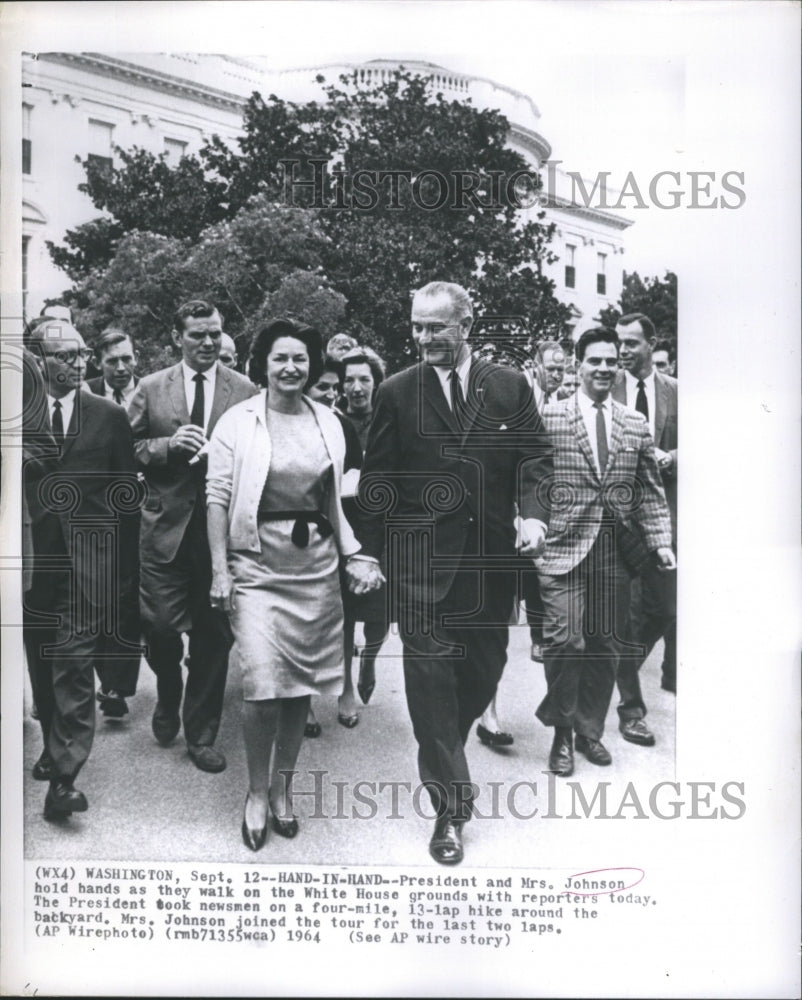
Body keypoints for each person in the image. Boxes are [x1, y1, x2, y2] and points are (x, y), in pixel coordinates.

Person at [357, 281, 552, 865]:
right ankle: (451, 807)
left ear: (467, 324)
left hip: (491, 570)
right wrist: (369, 552)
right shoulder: (396, 392)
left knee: (482, 674)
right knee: (431, 687)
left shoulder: (509, 386)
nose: (423, 338)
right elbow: (377, 481)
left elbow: (536, 458)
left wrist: (536, 517)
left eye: (435, 327)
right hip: (420, 571)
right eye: (416, 327)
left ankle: (447, 750)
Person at [206, 318, 382, 851]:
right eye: (281, 358)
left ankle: (284, 788)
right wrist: (220, 568)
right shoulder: (237, 422)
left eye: (301, 359)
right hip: (255, 565)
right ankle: (256, 792)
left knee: (300, 685)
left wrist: (355, 554)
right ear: (263, 364)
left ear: (312, 365)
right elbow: (216, 496)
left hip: (316, 567)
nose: (291, 368)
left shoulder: (329, 422)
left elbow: (336, 502)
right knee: (262, 685)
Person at [534, 326, 675, 777]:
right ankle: (560, 732)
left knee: (604, 646)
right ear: (579, 364)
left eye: (610, 361)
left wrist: (661, 542)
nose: (603, 368)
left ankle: (587, 732)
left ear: (618, 366)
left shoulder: (634, 423)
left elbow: (649, 490)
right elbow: (532, 479)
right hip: (562, 546)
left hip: (614, 550)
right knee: (564, 641)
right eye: (594, 360)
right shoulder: (551, 417)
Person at [128, 300, 257, 773]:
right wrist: (165, 446)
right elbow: (125, 447)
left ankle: (201, 733)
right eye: (198, 335)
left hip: (221, 536)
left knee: (214, 636)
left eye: (215, 334)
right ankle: (167, 688)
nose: (209, 343)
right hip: (164, 530)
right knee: (160, 628)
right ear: (177, 339)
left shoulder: (243, 389)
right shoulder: (149, 387)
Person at [23, 318, 140, 820]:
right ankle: (52, 743)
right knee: (41, 663)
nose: (78, 363)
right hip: (30, 563)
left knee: (73, 666)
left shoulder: (109, 416)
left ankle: (65, 779)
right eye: (65, 356)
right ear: (39, 361)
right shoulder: (17, 417)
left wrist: (124, 572)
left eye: (81, 354)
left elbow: (125, 498)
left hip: (87, 564)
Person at [612, 313, 679, 744]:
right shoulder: (605, 384)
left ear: (651, 345)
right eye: (620, 342)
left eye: (632, 343)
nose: (622, 351)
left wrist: (674, 456)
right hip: (617, 519)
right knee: (627, 614)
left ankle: (614, 670)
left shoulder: (675, 392)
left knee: (666, 608)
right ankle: (630, 709)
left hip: (660, 515)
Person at [303, 356, 363, 736]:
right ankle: (303, 698)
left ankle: (345, 688)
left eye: (332, 387)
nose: (328, 394)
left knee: (342, 614)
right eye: (320, 386)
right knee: (303, 619)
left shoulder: (340, 423)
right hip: (294, 534)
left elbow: (356, 470)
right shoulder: (284, 420)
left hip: (336, 526)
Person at [86, 327, 140, 409]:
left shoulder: (150, 392)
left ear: (135, 358)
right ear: (97, 363)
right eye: (112, 361)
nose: (121, 368)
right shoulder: (86, 392)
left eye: (126, 359)